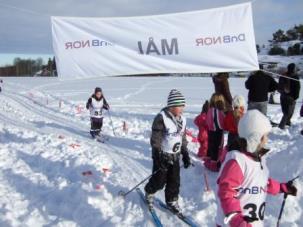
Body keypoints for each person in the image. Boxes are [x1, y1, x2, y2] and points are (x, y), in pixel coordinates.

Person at [216, 110, 298, 227]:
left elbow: (262, 182)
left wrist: (281, 188)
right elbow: (226, 193)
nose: (267, 139)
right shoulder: (237, 162)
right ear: (255, 138)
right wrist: (237, 221)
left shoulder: (259, 159)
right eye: (265, 136)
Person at [144, 89, 191, 214]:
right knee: (159, 180)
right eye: (180, 105)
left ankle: (171, 201)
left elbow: (182, 138)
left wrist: (185, 153)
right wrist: (157, 155)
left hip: (175, 157)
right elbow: (156, 139)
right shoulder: (161, 118)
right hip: (162, 156)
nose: (182, 108)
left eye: (183, 105)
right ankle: (149, 191)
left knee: (174, 181)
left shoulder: (183, 119)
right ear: (171, 106)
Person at [278, 63, 301, 129]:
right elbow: (297, 88)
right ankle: (281, 126)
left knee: (286, 111)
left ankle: (287, 123)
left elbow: (279, 86)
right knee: (288, 112)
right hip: (290, 98)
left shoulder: (283, 76)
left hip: (282, 96)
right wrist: (295, 97)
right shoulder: (295, 77)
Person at [206, 93, 226, 162]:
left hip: (210, 130)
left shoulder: (210, 109)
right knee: (217, 147)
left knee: (211, 145)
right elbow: (220, 122)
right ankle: (215, 162)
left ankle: (209, 159)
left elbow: (208, 121)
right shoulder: (218, 111)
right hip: (218, 131)